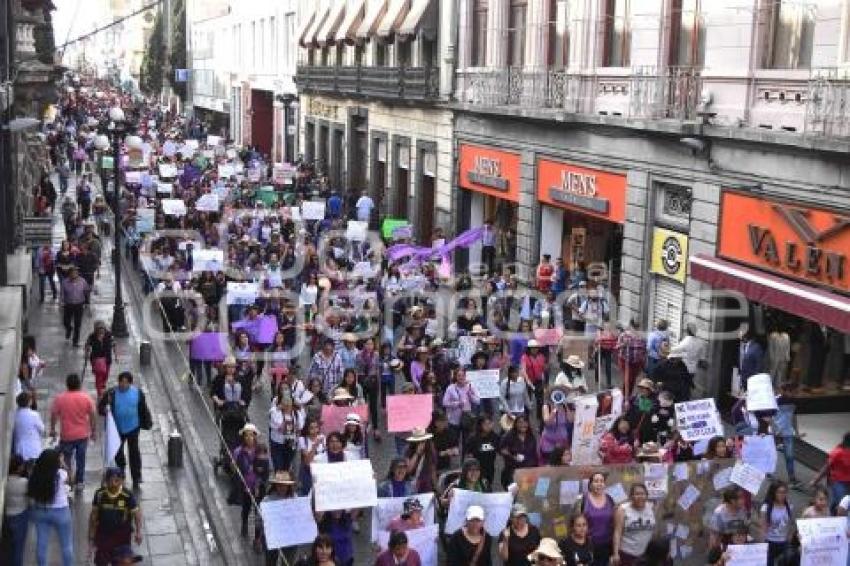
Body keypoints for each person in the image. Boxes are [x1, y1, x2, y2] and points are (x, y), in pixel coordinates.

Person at [100, 372, 151, 490]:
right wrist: (105, 409)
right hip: (117, 428)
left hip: (133, 427)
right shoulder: (111, 393)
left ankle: (136, 476)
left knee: (134, 452)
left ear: (130, 383)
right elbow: (100, 409)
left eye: (125, 382)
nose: (122, 385)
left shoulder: (138, 393)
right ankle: (121, 472)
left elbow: (143, 408)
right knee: (118, 453)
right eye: (121, 382)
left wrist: (146, 422)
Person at [50, 372, 97, 489]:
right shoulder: (86, 398)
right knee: (81, 458)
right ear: (79, 384)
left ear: (67, 384)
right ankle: (80, 481)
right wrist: (93, 431)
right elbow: (92, 415)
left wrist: (52, 429)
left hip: (66, 435)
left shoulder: (60, 399)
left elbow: (54, 415)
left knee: (66, 459)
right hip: (82, 435)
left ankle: (68, 478)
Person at [27, 448, 73, 566]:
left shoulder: (35, 474)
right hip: (61, 511)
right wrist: (63, 463)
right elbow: (70, 479)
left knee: (41, 543)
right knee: (66, 545)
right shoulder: (61, 474)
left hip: (40, 510)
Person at [88, 467, 142, 566]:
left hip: (122, 537)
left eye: (117, 480)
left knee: (124, 562)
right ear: (106, 480)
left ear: (122, 480)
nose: (113, 483)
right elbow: (93, 517)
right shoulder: (99, 494)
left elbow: (137, 514)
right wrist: (91, 540)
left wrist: (138, 532)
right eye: (110, 480)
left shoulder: (127, 495)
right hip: (104, 536)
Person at [573, 472, 615, 565]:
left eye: (602, 481)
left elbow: (613, 523)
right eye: (596, 481)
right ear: (590, 484)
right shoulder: (582, 500)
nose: (599, 484)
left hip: (606, 546)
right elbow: (575, 523)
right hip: (587, 546)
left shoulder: (610, 499)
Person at [258, 470, 299, 566]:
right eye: (279, 484)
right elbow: (260, 521)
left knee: (287, 563)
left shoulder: (295, 499)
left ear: (288, 486)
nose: (281, 487)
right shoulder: (266, 501)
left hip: (290, 540)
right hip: (272, 539)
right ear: (275, 485)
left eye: (284, 485)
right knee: (270, 562)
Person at [611, 483, 655, 565]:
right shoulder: (623, 509)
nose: (640, 496)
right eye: (637, 494)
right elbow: (617, 532)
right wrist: (615, 554)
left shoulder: (650, 508)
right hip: (627, 554)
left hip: (644, 554)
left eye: (643, 494)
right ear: (631, 496)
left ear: (646, 495)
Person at [811, 431, 850, 511]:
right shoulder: (838, 452)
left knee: (837, 501)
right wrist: (815, 480)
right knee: (842, 502)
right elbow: (826, 467)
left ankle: (831, 514)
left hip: (848, 481)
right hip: (838, 481)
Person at [3, 455, 30, 566]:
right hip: (21, 515)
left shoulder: (5, 482)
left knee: (6, 547)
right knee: (18, 548)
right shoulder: (24, 482)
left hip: (6, 516)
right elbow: (31, 500)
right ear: (19, 467)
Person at [499, 414, 538, 489]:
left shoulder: (531, 436)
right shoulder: (508, 436)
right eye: (520, 422)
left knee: (525, 492)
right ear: (516, 424)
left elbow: (534, 453)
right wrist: (513, 456)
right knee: (514, 495)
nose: (523, 425)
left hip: (527, 471)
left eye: (525, 422)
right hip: (513, 472)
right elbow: (502, 450)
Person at [760, 480, 794, 564]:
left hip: (783, 542)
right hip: (770, 542)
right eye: (779, 492)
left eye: (784, 492)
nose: (782, 495)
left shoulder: (789, 506)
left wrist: (788, 538)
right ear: (773, 493)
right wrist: (762, 546)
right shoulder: (766, 507)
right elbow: (763, 528)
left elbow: (789, 524)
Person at [465, 415, 501, 486]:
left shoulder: (495, 437)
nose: (488, 426)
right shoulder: (473, 438)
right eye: (485, 424)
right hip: (476, 468)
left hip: (490, 468)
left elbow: (500, 450)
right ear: (480, 425)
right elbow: (469, 454)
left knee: (488, 487)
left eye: (490, 423)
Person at [85, 320, 117, 399]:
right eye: (99, 329)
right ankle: (99, 393)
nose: (101, 330)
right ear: (96, 329)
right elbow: (87, 345)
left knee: (105, 375)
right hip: (96, 359)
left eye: (102, 328)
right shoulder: (92, 336)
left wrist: (116, 356)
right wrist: (87, 353)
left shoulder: (109, 335)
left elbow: (114, 345)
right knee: (98, 376)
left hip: (107, 359)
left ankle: (102, 385)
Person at [60, 265, 89, 346]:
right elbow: (62, 293)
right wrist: (61, 302)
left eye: (75, 273)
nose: (74, 275)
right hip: (68, 304)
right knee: (66, 321)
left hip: (79, 305)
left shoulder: (82, 281)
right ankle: (69, 329)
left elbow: (86, 291)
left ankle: (75, 341)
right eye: (72, 273)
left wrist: (87, 302)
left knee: (78, 324)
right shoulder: (65, 282)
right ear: (69, 275)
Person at [405, 427, 438, 494]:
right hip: (412, 484)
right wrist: (417, 454)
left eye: (423, 441)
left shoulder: (431, 451)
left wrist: (436, 487)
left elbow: (433, 470)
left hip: (426, 485)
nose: (421, 443)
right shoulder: (409, 451)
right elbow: (408, 469)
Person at [13, 391, 43, 462]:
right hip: (34, 448)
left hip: (19, 449)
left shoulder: (14, 415)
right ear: (29, 402)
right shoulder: (34, 414)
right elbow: (42, 429)